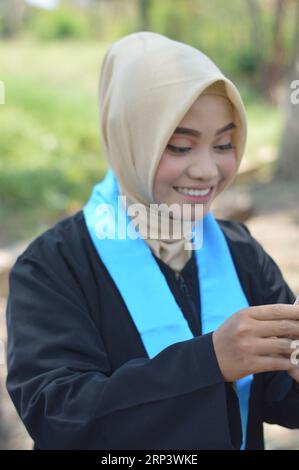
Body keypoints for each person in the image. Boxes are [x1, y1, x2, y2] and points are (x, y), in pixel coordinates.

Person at [5, 31, 299, 451]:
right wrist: (209, 361)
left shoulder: (238, 250)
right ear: (129, 139)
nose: (207, 170)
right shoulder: (53, 265)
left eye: (224, 144)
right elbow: (58, 415)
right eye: (180, 146)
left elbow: (277, 397)